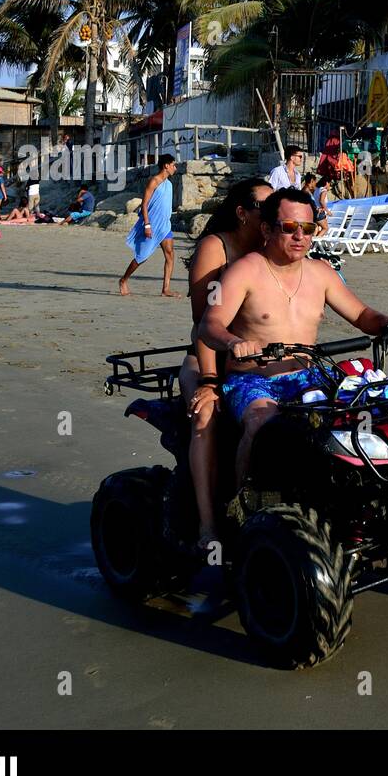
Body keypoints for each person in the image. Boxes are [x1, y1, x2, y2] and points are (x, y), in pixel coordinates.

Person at [198, 188, 388, 488]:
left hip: (309, 375)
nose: (300, 237)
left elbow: (362, 316)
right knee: (260, 423)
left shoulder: (321, 272)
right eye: (290, 228)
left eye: (307, 228)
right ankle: (244, 502)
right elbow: (209, 324)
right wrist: (232, 342)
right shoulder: (244, 271)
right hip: (253, 380)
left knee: (370, 410)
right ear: (267, 229)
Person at [179, 178, 273, 549]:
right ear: (242, 213)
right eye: (264, 208)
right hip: (208, 356)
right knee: (206, 416)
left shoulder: (269, 246)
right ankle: (207, 526)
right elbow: (203, 325)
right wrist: (208, 379)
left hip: (258, 361)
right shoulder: (215, 248)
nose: (272, 215)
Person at [119, 155, 177, 297]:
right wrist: (147, 225)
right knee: (142, 257)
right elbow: (144, 204)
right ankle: (123, 280)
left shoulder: (169, 184)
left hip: (165, 226)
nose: (175, 168)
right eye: (173, 165)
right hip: (152, 224)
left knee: (170, 254)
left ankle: (166, 289)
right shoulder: (154, 181)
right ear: (166, 166)